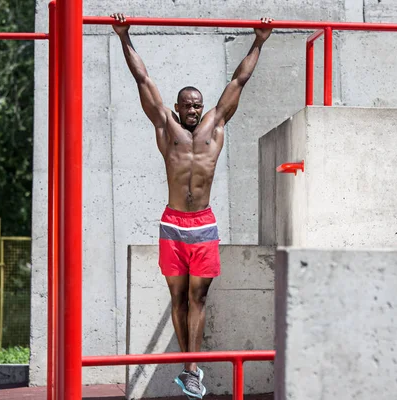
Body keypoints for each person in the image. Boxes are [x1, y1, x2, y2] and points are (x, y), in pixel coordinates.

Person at [111, 13, 273, 399]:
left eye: (197, 105)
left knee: (198, 297)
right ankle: (189, 367)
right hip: (173, 223)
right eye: (187, 105)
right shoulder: (166, 128)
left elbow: (239, 80)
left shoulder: (216, 126)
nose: (193, 110)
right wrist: (124, 36)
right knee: (178, 298)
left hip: (202, 223)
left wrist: (259, 41)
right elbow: (143, 80)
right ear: (179, 106)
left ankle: (190, 369)